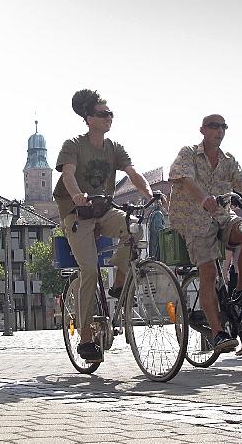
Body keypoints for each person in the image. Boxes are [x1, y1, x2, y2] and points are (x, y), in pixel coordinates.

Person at [53, 88, 160, 362]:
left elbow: (133, 174)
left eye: (110, 113)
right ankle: (86, 338)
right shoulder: (74, 144)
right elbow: (68, 174)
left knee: (134, 227)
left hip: (103, 209)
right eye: (102, 114)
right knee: (89, 270)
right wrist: (77, 196)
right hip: (77, 214)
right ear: (88, 118)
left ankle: (120, 282)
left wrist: (152, 196)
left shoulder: (114, 148)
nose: (109, 118)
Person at [168, 114, 242, 354]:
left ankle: (239, 292)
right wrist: (203, 198)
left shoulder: (228, 160)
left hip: (222, 217)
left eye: (223, 127)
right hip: (194, 221)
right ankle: (218, 333)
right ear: (202, 130)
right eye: (214, 126)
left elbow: (241, 182)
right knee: (208, 273)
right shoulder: (188, 153)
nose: (219, 131)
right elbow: (185, 179)